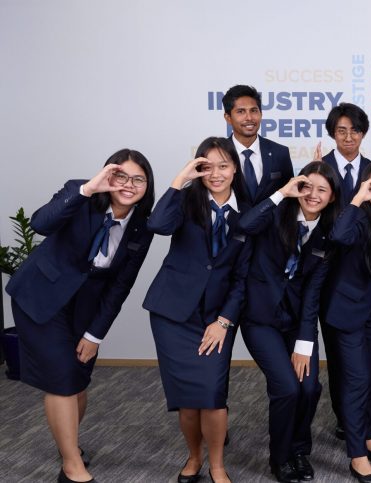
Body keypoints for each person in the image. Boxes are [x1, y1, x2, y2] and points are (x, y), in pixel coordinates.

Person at [6, 150, 155, 483]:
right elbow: (40, 223)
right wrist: (88, 189)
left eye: (138, 179)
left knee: (77, 382)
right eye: (121, 176)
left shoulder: (142, 228)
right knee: (62, 380)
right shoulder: (80, 192)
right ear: (108, 175)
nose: (128, 184)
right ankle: (73, 467)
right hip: (41, 299)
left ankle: (68, 446)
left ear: (148, 186)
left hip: (86, 309)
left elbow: (121, 286)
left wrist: (94, 335)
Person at [143, 137, 251, 483]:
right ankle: (193, 457)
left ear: (235, 168)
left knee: (213, 396)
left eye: (224, 166)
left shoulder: (248, 213)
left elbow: (243, 277)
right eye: (208, 166)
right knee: (187, 400)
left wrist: (224, 321)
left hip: (217, 316)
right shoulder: (186, 200)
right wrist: (181, 179)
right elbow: (157, 224)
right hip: (173, 314)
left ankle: (217, 465)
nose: (216, 174)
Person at [238, 161, 341, 482]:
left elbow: (313, 293)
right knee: (286, 388)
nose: (313, 195)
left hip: (296, 322)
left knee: (309, 388)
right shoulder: (276, 213)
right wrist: (282, 193)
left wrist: (305, 341)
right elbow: (245, 224)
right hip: (260, 319)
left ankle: (299, 450)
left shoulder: (329, 234)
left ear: (332, 197)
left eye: (322, 190)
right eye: (307, 186)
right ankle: (280, 457)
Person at [322, 161, 371, 483]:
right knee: (356, 381)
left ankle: (369, 436)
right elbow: (338, 236)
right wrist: (358, 199)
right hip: (345, 311)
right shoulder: (358, 220)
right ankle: (357, 455)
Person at [223, 84, 294, 204]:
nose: (249, 117)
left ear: (261, 114)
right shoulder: (218, 153)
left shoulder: (280, 152)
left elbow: (289, 198)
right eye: (241, 112)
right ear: (228, 118)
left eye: (254, 110)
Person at [319, 102, 371, 205]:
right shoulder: (319, 168)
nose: (348, 138)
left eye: (355, 131)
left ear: (363, 134)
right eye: (342, 131)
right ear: (333, 133)